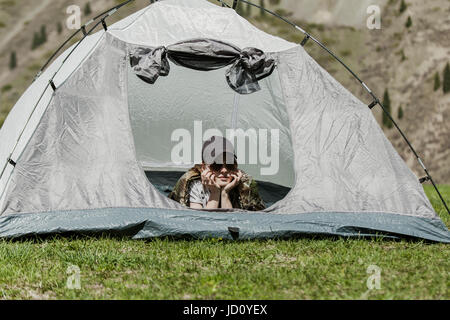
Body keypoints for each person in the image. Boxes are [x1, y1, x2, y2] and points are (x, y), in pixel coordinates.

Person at [168, 136, 266, 211]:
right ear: (204, 167)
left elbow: (234, 222)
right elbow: (200, 224)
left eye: (229, 165)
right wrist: (215, 193)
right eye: (216, 165)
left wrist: (225, 193)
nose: (224, 170)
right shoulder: (194, 183)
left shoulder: (241, 183)